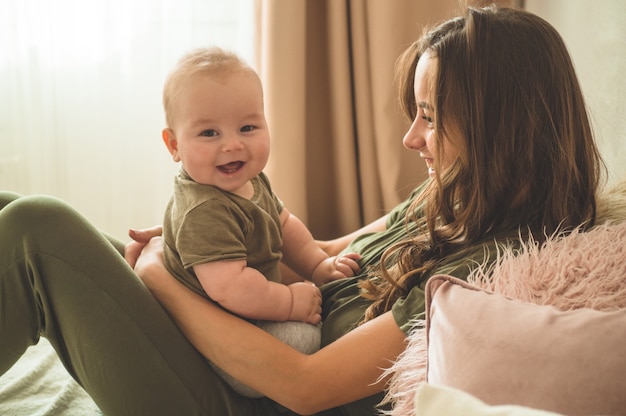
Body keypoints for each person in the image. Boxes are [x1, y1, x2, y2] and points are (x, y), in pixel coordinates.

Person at [0, 5, 604, 415]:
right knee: (14, 211)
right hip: (225, 337)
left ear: (499, 127)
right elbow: (334, 249)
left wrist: (158, 275)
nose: (411, 138)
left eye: (429, 114)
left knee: (37, 230)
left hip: (233, 395)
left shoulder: (489, 270)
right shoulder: (453, 195)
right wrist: (205, 232)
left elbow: (306, 387)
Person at [157, 47, 360, 397]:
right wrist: (290, 303)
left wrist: (317, 265)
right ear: (174, 145)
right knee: (310, 340)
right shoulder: (204, 210)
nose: (233, 145)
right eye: (209, 134)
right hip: (222, 342)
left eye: (247, 127)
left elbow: (284, 224)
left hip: (249, 314)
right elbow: (231, 287)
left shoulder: (250, 180)